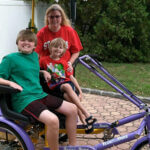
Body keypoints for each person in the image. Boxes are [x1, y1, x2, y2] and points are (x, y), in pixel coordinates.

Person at [0, 29, 78, 150]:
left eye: (30, 41)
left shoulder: (34, 57)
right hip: (24, 99)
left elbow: (30, 70)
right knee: (53, 120)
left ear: (35, 45)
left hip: (40, 95)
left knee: (73, 109)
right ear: (17, 43)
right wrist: (10, 82)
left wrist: (43, 71)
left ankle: (73, 146)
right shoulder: (10, 59)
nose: (26, 43)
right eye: (23, 40)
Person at [39, 38, 97, 133]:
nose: (58, 49)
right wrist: (44, 71)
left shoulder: (64, 62)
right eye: (55, 46)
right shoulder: (44, 60)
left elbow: (71, 78)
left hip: (65, 84)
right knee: (67, 88)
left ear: (63, 50)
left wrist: (80, 91)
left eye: (60, 47)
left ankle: (84, 122)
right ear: (50, 48)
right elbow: (35, 70)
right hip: (55, 86)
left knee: (68, 95)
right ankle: (86, 114)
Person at [35, 4, 83, 71]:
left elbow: (76, 51)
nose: (54, 19)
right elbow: (35, 53)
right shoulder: (41, 33)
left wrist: (70, 63)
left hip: (64, 68)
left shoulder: (69, 31)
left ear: (62, 17)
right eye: (51, 17)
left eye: (57, 16)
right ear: (47, 18)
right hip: (47, 69)